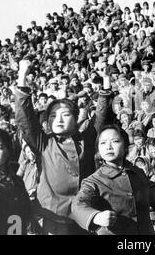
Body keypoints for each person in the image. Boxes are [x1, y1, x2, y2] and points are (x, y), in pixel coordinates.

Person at [14, 59, 114, 235]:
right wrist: (22, 75)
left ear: (76, 119)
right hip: (54, 216)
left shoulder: (86, 140)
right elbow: (25, 117)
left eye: (65, 115)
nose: (58, 120)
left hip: (86, 213)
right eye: (52, 116)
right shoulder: (43, 143)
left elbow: (102, 117)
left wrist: (106, 79)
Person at [71, 125, 155, 235]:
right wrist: (96, 217)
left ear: (126, 146)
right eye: (103, 143)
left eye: (115, 141)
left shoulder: (137, 172)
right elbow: (77, 205)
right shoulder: (94, 181)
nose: (108, 146)